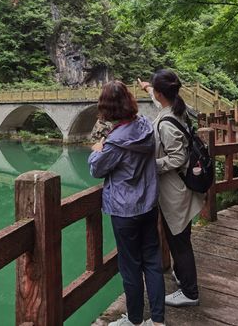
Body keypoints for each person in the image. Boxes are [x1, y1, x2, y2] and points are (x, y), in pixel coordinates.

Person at [88, 81, 165, 326]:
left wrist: (97, 149)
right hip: (149, 205)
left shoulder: (114, 142)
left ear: (106, 109)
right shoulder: (144, 126)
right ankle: (158, 320)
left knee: (130, 266)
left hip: (125, 211)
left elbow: (95, 169)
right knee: (152, 261)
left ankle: (134, 321)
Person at [138, 70, 205, 307]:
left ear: (161, 92)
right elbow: (160, 102)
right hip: (181, 188)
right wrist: (147, 88)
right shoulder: (178, 109)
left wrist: (150, 165)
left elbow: (177, 158)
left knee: (179, 241)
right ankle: (182, 275)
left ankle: (190, 292)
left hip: (175, 191)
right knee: (178, 236)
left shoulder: (166, 124)